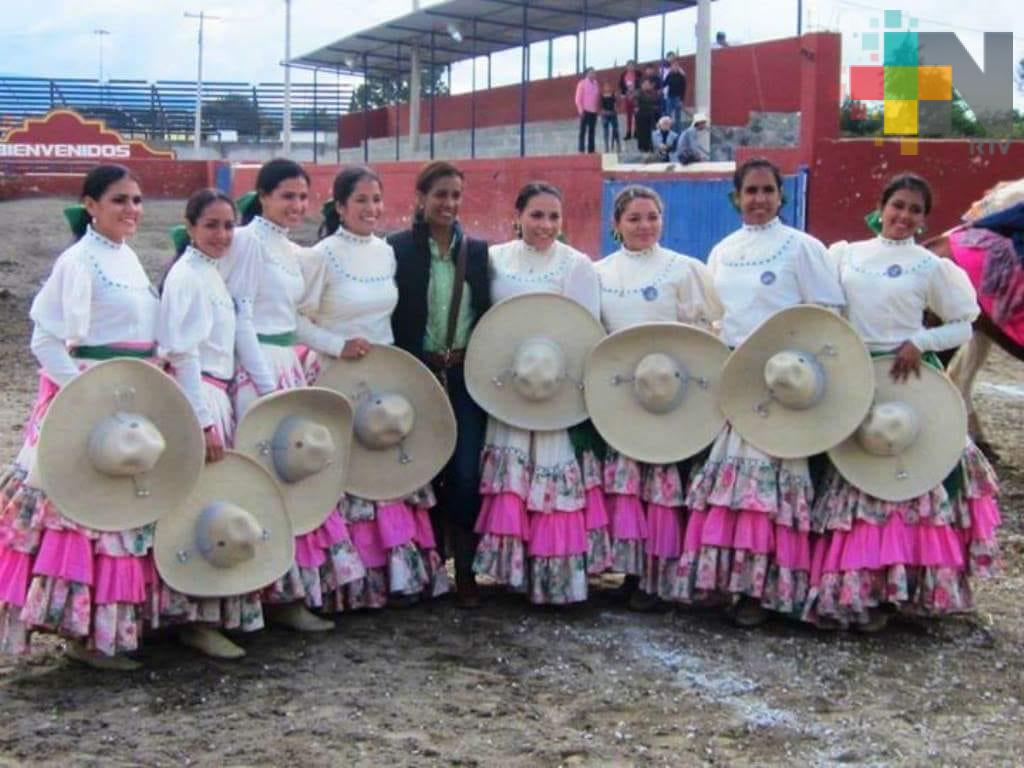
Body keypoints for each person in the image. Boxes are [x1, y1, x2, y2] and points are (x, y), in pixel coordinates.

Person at [804, 173, 1001, 631]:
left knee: (910, 478)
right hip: (858, 378)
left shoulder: (930, 266)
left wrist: (920, 340)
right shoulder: (845, 255)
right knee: (857, 477)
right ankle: (860, 589)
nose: (904, 216)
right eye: (898, 206)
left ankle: (907, 590)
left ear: (923, 219)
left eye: (914, 210)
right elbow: (826, 312)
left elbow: (964, 322)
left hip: (909, 378)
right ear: (881, 207)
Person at [0, 165, 159, 669]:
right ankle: (80, 633)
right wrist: (85, 393)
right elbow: (45, 339)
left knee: (115, 510)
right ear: (91, 205)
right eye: (120, 200)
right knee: (78, 513)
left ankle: (105, 632)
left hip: (127, 397)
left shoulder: (128, 257)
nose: (131, 210)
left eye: (137, 200)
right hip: (89, 396)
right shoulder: (78, 261)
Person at [676, 158, 846, 626]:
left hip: (785, 382)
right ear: (736, 197)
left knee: (767, 491)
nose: (759, 199)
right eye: (750, 190)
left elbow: (826, 316)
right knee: (730, 488)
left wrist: (800, 372)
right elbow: (717, 318)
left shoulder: (803, 248)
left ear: (780, 195)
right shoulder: (723, 251)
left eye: (768, 190)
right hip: (735, 379)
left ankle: (764, 590)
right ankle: (724, 580)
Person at [297, 165, 445, 608]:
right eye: (360, 200)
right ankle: (347, 586)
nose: (371, 208)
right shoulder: (321, 255)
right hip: (335, 376)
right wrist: (336, 345)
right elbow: (295, 321)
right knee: (345, 475)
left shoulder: (386, 252)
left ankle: (394, 579)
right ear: (340, 206)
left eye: (376, 199)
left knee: (388, 469)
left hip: (384, 376)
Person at [220, 158, 355, 631]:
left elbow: (293, 321)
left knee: (294, 477)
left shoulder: (292, 249)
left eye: (302, 196)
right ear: (263, 197)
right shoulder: (245, 242)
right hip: (255, 367)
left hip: (286, 365)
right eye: (286, 196)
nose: (296, 205)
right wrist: (261, 382)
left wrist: (336, 345)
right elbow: (238, 316)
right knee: (259, 478)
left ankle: (288, 594)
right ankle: (245, 598)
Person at [472, 182, 607, 605]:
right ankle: (513, 573)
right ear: (517, 216)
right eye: (536, 215)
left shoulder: (577, 265)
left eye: (553, 216)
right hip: (509, 385)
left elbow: (585, 332)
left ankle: (555, 579)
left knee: (550, 479)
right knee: (512, 479)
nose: (545, 225)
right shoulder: (493, 259)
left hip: (554, 388)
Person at [594, 186, 722, 609]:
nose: (644, 225)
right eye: (634, 218)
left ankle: (662, 577)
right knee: (630, 486)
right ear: (616, 224)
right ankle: (633, 573)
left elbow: (703, 335)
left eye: (652, 217)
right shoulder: (599, 273)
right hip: (623, 396)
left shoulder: (683, 270)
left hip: (671, 395)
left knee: (664, 485)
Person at [156, 189, 266, 658]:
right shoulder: (187, 277)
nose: (222, 235)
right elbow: (183, 354)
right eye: (211, 225)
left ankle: (211, 611)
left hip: (215, 394)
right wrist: (202, 422)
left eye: (228, 226)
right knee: (196, 509)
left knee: (214, 507)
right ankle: (194, 618)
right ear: (190, 226)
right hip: (199, 398)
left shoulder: (212, 274)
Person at [388, 161, 492, 608]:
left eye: (455, 195)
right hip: (416, 375)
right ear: (421, 198)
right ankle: (430, 569)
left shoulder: (479, 253)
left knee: (466, 472)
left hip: (464, 376)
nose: (448, 203)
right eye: (440, 194)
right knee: (422, 472)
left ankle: (465, 570)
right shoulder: (397, 250)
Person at [575, 67, 600, 154]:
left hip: (594, 111)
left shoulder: (596, 84)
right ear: (587, 74)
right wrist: (581, 110)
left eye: (594, 73)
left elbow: (597, 97)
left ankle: (591, 150)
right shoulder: (582, 83)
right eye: (591, 72)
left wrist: (597, 109)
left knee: (592, 131)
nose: (593, 74)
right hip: (585, 111)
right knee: (583, 131)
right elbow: (577, 99)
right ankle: (581, 150)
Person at [635, 78, 661, 154]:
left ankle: (650, 147)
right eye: (645, 84)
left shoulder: (652, 93)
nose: (647, 85)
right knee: (642, 133)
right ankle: (643, 148)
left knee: (651, 132)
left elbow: (656, 101)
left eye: (648, 84)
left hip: (650, 116)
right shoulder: (638, 93)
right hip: (642, 116)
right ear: (641, 85)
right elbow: (636, 103)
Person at [663, 59, 687, 132]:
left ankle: (678, 132)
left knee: (677, 117)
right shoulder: (669, 75)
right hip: (670, 97)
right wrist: (667, 74)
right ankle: (668, 130)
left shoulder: (681, 76)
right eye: (673, 66)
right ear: (671, 67)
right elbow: (664, 84)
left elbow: (683, 88)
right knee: (668, 115)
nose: (675, 67)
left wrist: (681, 100)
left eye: (676, 65)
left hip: (677, 98)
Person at [618, 60, 639, 140]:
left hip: (636, 97)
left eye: (632, 65)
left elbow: (640, 84)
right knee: (628, 116)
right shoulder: (623, 75)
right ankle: (629, 132)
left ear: (634, 66)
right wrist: (625, 94)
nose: (630, 67)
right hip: (627, 97)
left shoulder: (638, 74)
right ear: (626, 67)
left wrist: (635, 93)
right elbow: (621, 86)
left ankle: (636, 132)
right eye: (629, 66)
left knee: (636, 116)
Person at [600, 83, 621, 153]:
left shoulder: (613, 95)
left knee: (615, 130)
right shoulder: (602, 96)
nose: (607, 88)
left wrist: (618, 97)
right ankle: (606, 146)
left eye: (608, 86)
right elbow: (600, 106)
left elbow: (617, 104)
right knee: (606, 131)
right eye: (606, 87)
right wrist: (603, 112)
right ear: (604, 88)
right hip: (605, 115)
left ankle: (618, 145)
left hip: (613, 114)